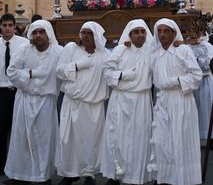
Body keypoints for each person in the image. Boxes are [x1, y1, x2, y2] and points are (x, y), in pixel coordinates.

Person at [4, 20, 62, 184]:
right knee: (21, 139)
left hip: (46, 102)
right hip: (24, 100)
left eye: (41, 32)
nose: (38, 36)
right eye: (35, 32)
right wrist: (31, 73)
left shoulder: (58, 52)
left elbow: (66, 69)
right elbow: (12, 72)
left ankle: (43, 175)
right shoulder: (24, 50)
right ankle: (20, 175)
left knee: (43, 140)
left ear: (48, 34)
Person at [148, 18, 202, 185]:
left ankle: (184, 179)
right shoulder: (155, 54)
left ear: (173, 33)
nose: (163, 34)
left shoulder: (183, 50)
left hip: (181, 100)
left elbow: (196, 75)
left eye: (167, 31)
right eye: (160, 31)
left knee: (180, 139)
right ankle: (166, 177)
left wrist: (175, 81)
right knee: (163, 140)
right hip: (162, 101)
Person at [101, 19, 153, 185]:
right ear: (129, 34)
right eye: (136, 32)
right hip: (121, 100)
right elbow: (107, 71)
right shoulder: (120, 50)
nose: (140, 35)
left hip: (142, 100)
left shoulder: (152, 51)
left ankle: (138, 175)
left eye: (142, 31)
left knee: (141, 139)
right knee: (118, 137)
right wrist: (122, 75)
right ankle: (116, 174)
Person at [56, 22, 109, 185]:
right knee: (69, 141)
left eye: (89, 33)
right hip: (72, 103)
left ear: (97, 36)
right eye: (83, 32)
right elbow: (59, 71)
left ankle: (89, 174)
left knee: (91, 141)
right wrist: (77, 66)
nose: (84, 36)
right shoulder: (71, 49)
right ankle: (70, 174)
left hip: (94, 106)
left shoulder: (105, 55)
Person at [0, 13, 28, 175]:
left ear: (15, 26)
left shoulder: (24, 44)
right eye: (4, 25)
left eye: (10, 25)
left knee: (20, 130)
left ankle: (21, 166)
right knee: (1, 130)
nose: (8, 28)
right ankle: (2, 165)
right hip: (1, 92)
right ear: (1, 26)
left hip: (18, 91)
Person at [186, 34, 213, 144]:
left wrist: (196, 59)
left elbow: (208, 64)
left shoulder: (207, 46)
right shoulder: (185, 47)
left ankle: (209, 136)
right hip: (191, 83)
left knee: (206, 108)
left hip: (205, 80)